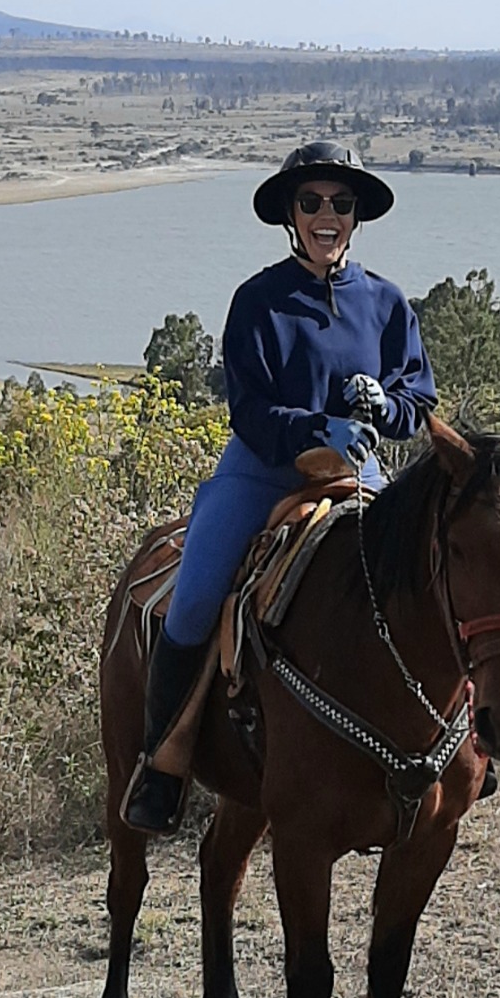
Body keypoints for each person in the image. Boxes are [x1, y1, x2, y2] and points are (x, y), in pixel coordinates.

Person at [124, 141, 438, 833]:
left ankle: (457, 743)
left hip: (359, 472)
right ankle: (162, 765)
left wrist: (386, 408)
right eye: (312, 202)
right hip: (262, 471)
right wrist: (317, 427)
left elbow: (418, 397)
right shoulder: (258, 300)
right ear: (290, 215)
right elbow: (251, 411)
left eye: (341, 203)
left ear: (355, 216)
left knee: (428, 576)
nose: (328, 215)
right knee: (194, 598)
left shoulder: (388, 303)